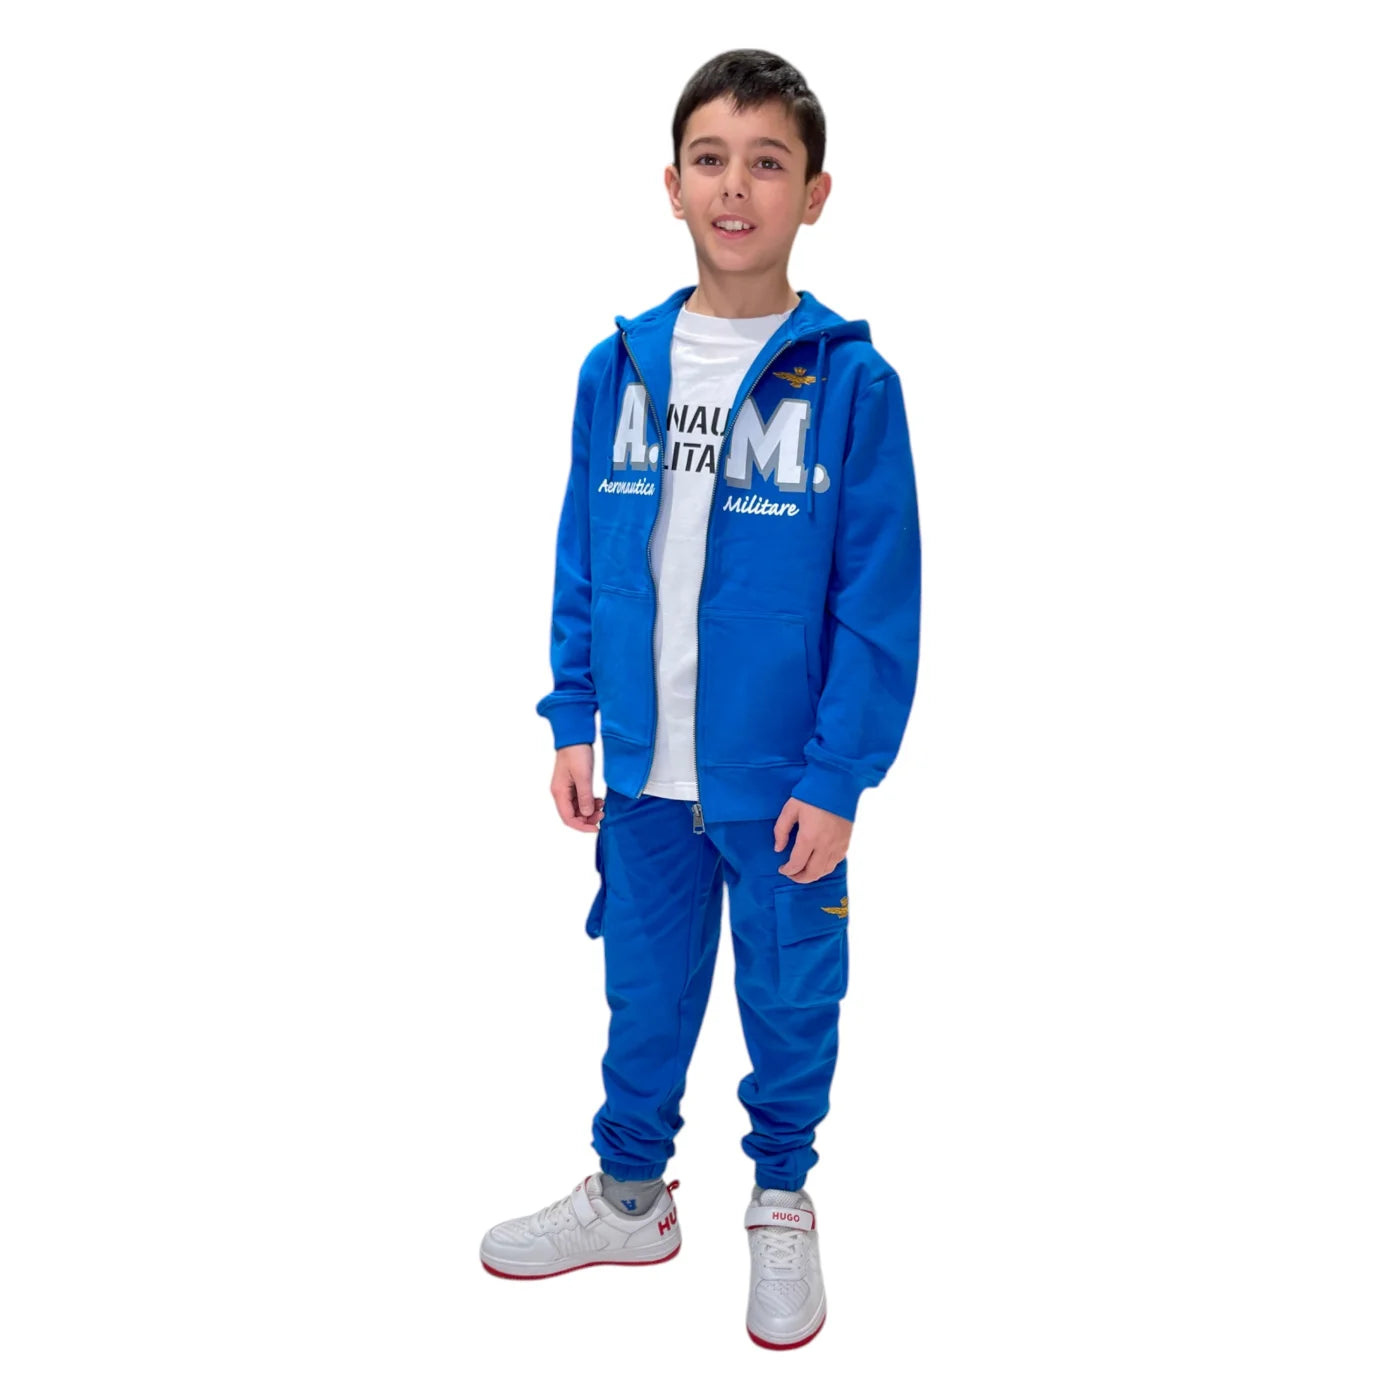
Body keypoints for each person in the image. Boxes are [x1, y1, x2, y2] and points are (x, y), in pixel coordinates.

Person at [479, 48, 921, 1350]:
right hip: (639, 769)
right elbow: (583, 555)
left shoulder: (852, 387)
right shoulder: (616, 370)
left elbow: (878, 604)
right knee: (644, 992)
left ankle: (780, 1197)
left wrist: (837, 777)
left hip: (779, 779)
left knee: (791, 994)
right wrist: (573, 717)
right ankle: (631, 1197)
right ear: (671, 185)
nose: (737, 187)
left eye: (768, 163)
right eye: (712, 160)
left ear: (815, 194)